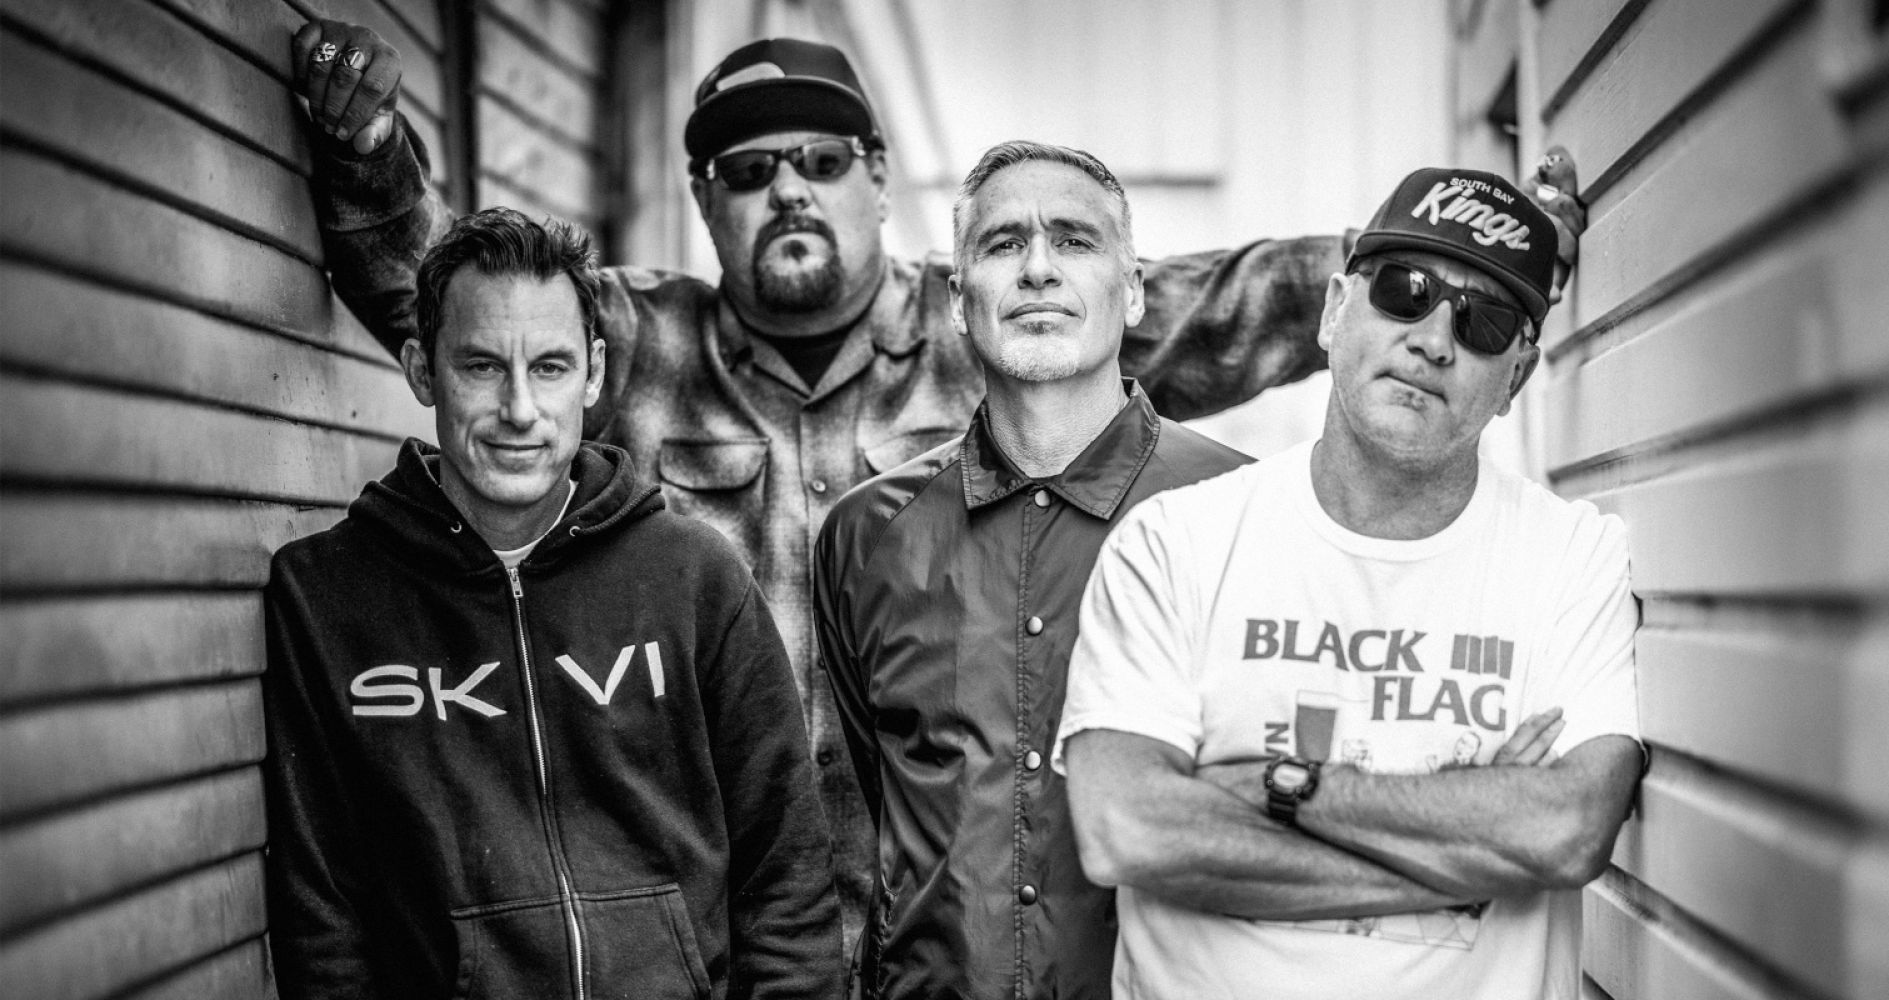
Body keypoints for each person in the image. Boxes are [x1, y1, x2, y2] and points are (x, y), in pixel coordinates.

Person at [287, 20, 1585, 943]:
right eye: (747, 171)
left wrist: (1472, 262)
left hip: (948, 917)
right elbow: (456, 314)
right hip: (726, 915)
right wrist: (366, 154)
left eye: (818, 160)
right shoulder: (628, 345)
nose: (787, 190)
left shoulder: (990, 326)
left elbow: (1241, 300)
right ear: (704, 198)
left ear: (873, 179)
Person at [1056, 167, 1643, 1000]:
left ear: (1515, 376)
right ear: (1334, 311)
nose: (1433, 339)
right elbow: (1128, 830)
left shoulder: (1571, 557)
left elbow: (1565, 829)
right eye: (1405, 291)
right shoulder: (1174, 544)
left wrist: (1276, 786)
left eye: (1484, 322)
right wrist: (1473, 845)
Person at [262, 208, 841, 999]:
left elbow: (787, 879)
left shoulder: (692, 578)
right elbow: (322, 917)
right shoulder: (330, 597)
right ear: (422, 371)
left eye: (550, 367)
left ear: (593, 374)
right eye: (481, 366)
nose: (520, 409)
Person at [812, 141, 1256, 999]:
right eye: (1003, 243)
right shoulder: (867, 535)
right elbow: (883, 796)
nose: (1039, 269)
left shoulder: (1241, 512)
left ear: (1132, 291)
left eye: (1075, 241)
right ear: (958, 301)